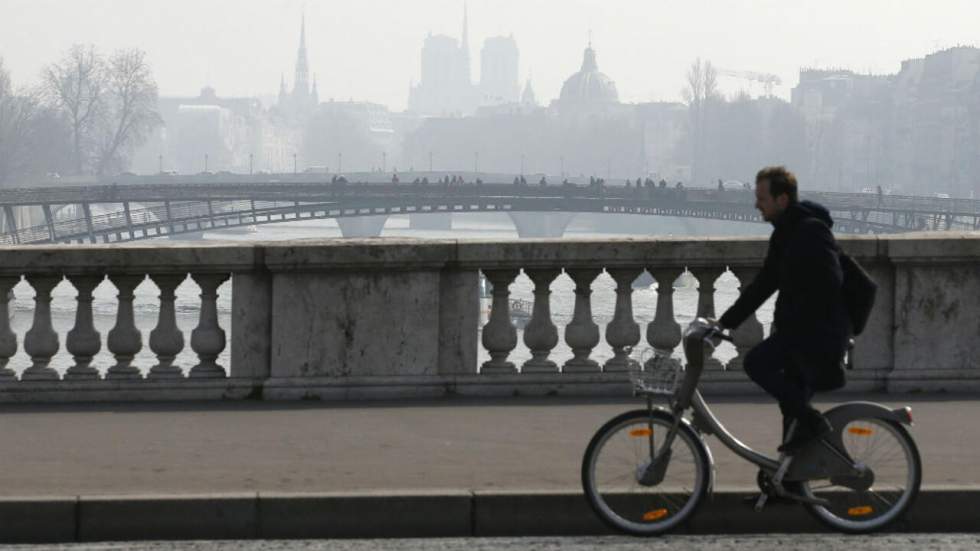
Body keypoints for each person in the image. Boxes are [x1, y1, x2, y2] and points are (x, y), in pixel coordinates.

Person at [717, 166, 849, 454]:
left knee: (756, 363)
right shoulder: (785, 234)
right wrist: (725, 323)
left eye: (762, 198)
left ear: (782, 200)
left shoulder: (810, 232)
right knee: (792, 412)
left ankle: (814, 421)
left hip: (816, 335)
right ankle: (787, 487)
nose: (756, 205)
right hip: (800, 332)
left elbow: (830, 283)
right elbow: (764, 284)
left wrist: (799, 317)